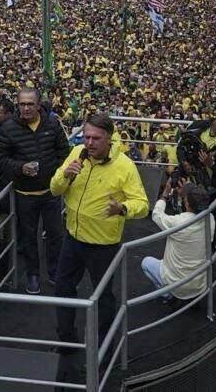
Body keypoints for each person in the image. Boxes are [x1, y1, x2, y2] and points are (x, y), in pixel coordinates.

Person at [49, 113, 148, 352]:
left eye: (95, 138)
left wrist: (122, 208)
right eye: (86, 137)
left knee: (103, 298)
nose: (89, 143)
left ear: (110, 139)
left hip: (103, 245)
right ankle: (65, 341)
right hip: (72, 238)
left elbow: (143, 204)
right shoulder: (76, 154)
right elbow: (54, 189)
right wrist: (66, 176)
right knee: (63, 289)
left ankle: (104, 349)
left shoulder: (125, 166)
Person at [0, 87, 71, 295]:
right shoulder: (8, 128)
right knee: (28, 238)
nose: (26, 108)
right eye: (22, 104)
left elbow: (63, 151)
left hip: (51, 193)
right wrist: (20, 167)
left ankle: (55, 272)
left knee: (56, 235)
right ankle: (33, 274)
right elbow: (1, 159)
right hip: (24, 195)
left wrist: (54, 173)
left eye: (30, 104)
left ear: (38, 105)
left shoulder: (52, 124)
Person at [142, 179, 213, 302]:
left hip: (178, 285)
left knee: (146, 263)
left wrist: (165, 194)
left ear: (187, 204)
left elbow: (156, 215)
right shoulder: (210, 219)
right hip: (200, 283)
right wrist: (187, 191)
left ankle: (167, 294)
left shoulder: (178, 223)